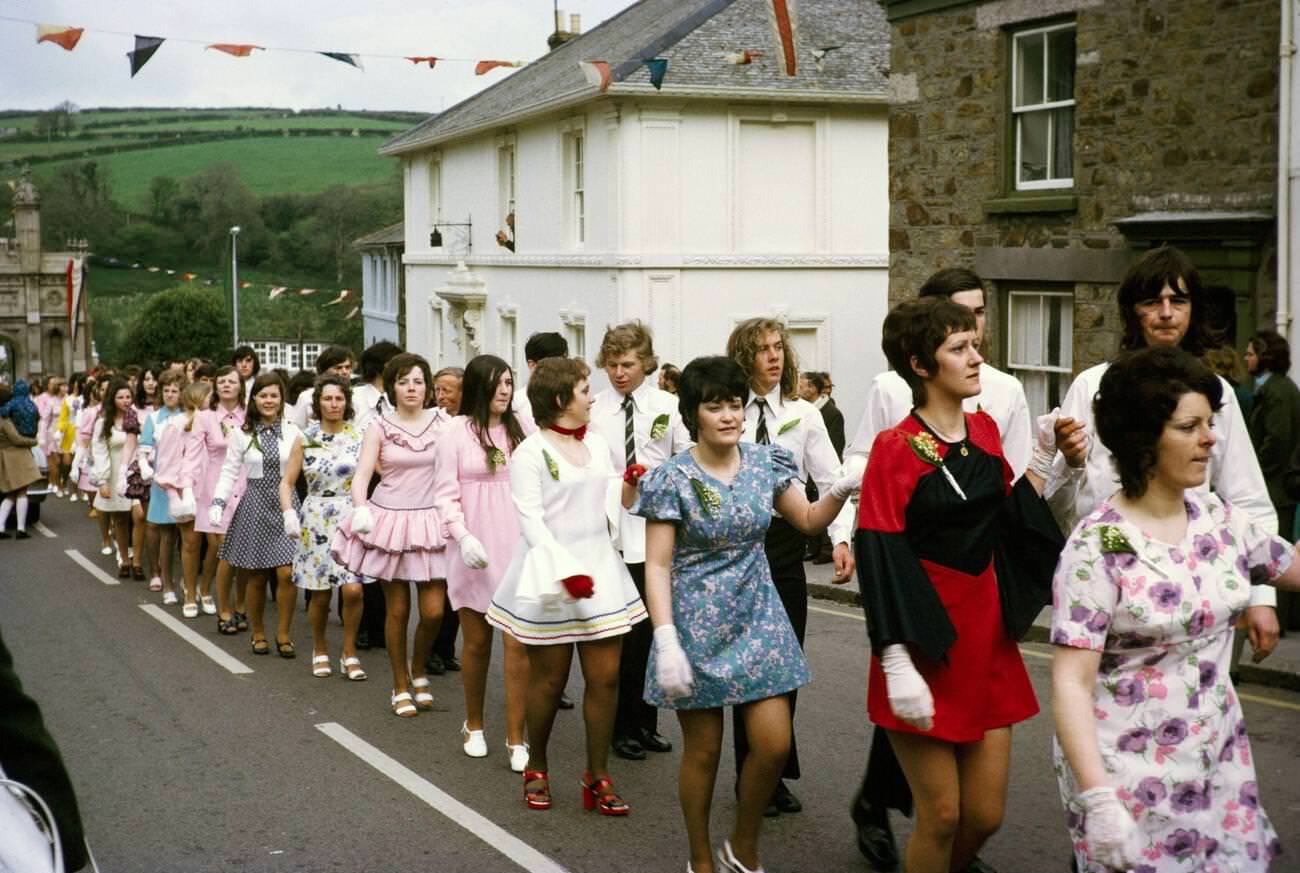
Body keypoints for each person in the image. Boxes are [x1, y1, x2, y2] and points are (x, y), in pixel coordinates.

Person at [1051, 346, 1298, 873]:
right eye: (1190, 426)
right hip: (1127, 777)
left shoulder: (1216, 515)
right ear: (1144, 440)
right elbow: (1071, 684)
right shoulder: (1097, 547)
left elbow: (1289, 566)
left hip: (1218, 764)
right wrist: (1098, 800)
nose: (1210, 438)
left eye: (1210, 423)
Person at [855, 297, 1073, 873]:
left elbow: (1004, 519)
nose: (976, 358)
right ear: (920, 366)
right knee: (943, 815)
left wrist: (1048, 458)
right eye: (959, 348)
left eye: (974, 345)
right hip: (923, 640)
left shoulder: (983, 429)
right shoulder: (894, 448)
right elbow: (880, 550)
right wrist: (895, 659)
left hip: (987, 637)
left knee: (985, 816)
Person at [634, 355, 860, 873]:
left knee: (774, 746)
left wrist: (841, 491)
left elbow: (806, 520)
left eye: (735, 404)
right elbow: (658, 565)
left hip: (758, 614)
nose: (729, 415)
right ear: (694, 414)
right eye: (715, 406)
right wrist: (665, 638)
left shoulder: (766, 462)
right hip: (693, 624)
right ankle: (699, 858)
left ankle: (742, 845)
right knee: (705, 753)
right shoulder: (672, 478)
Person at [1045, 246, 1280, 665]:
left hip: (1194, 586)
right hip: (1108, 586)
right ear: (1133, 311)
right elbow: (1060, 508)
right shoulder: (1094, 386)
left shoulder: (1214, 392)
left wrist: (1262, 596)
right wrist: (1071, 463)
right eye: (1152, 301)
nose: (1167, 313)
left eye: (1179, 301)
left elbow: (1246, 498)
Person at [486, 356, 647, 815]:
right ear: (560, 400)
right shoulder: (529, 453)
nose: (591, 396)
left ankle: (597, 775)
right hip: (551, 573)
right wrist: (563, 572)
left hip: (600, 567)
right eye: (583, 389)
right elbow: (531, 522)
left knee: (606, 678)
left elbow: (615, 500)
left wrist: (631, 485)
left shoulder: (597, 444)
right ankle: (537, 765)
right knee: (550, 681)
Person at [725, 317, 856, 816]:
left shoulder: (803, 415)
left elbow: (831, 478)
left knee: (782, 663)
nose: (774, 357)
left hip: (784, 546)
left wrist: (841, 538)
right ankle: (748, 774)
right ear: (745, 358)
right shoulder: (729, 411)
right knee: (745, 666)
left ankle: (774, 773)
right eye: (762, 350)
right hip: (736, 546)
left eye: (779, 347)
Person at [590, 321, 692, 762]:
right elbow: (592, 468)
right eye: (612, 364)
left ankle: (646, 721)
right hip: (616, 526)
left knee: (657, 631)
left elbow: (686, 456)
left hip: (659, 525)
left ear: (646, 363)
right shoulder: (594, 410)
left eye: (627, 364)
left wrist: (663, 480)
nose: (619, 372)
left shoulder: (668, 405)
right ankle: (621, 726)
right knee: (627, 635)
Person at [332, 353, 450, 717]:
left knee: (433, 612)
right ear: (391, 387)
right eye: (403, 381)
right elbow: (362, 475)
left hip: (432, 520)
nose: (411, 388)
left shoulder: (445, 423)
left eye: (417, 381)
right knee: (397, 609)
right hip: (390, 520)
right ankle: (399, 683)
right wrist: (361, 507)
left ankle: (418, 670)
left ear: (428, 387)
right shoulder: (379, 426)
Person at [433, 355, 535, 768]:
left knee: (518, 643)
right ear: (479, 387)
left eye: (509, 382)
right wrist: (462, 535)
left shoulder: (521, 430)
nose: (505, 390)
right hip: (473, 546)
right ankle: (474, 724)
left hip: (516, 543)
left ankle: (516, 737)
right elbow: (444, 493)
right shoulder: (454, 433)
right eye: (496, 383)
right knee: (476, 642)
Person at [210, 372, 303, 657]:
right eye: (263, 395)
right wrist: (218, 502)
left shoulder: (294, 431)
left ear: (282, 399)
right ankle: (258, 632)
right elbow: (229, 471)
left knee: (287, 574)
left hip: (287, 505)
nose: (269, 401)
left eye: (274, 395)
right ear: (254, 400)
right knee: (256, 576)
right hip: (255, 503)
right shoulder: (242, 433)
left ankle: (284, 633)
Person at [283, 375, 367, 679]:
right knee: (319, 593)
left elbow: (386, 472)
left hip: (349, 513)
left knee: (354, 589)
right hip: (315, 515)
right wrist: (289, 513)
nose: (334, 404)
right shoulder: (305, 437)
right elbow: (288, 481)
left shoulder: (360, 437)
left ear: (347, 403)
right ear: (318, 403)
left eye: (339, 398)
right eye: (328, 398)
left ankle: (349, 652)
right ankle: (320, 648)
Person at [1244, 329, 1300, 631]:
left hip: (1275, 487)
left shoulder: (1277, 391)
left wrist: (1254, 473)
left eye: (1251, 353)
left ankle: (1282, 618)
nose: (1246, 358)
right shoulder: (1273, 388)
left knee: (1274, 551)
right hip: (1276, 484)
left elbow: (1277, 440)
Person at [350, 340, 403, 651]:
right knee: (365, 552)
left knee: (387, 553)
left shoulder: (398, 400)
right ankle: (364, 626)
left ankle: (383, 624)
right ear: (384, 366)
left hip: (394, 479)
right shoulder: (357, 399)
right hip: (363, 478)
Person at [193, 367, 247, 633]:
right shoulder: (205, 417)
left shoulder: (251, 414)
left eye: (232, 381)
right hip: (216, 487)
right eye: (221, 381)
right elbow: (193, 455)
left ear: (241, 386)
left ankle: (242, 606)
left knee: (247, 552)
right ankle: (223, 608)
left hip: (248, 485)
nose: (226, 385)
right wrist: (187, 490)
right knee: (225, 549)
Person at [155, 381, 213, 616]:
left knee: (216, 543)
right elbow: (166, 462)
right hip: (186, 489)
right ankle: (190, 592)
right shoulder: (176, 425)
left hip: (213, 488)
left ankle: (205, 587)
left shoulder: (215, 421)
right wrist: (173, 492)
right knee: (190, 542)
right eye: (210, 395)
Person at [429, 365, 465, 675]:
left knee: (457, 584)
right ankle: (432, 650)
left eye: (448, 390)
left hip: (463, 510)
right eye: (438, 390)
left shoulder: (469, 424)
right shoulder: (432, 423)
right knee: (438, 584)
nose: (441, 396)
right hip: (433, 508)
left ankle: (447, 647)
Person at [140, 369, 186, 606]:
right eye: (166, 390)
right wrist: (145, 466)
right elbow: (144, 447)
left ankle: (187, 582)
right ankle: (166, 581)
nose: (170, 395)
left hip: (186, 481)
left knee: (188, 537)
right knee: (166, 533)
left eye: (174, 391)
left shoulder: (189, 415)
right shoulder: (153, 417)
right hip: (162, 481)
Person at [91, 379, 139, 577]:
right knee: (120, 518)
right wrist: (102, 480)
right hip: (114, 472)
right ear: (112, 399)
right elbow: (99, 450)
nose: (125, 401)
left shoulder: (137, 419)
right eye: (120, 397)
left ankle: (137, 559)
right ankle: (124, 559)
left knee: (139, 516)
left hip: (136, 474)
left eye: (128, 396)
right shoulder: (104, 423)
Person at [0, 384, 42, 539]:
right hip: (16, 456)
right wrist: (32, 441)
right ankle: (21, 529)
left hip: (5, 457)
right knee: (22, 492)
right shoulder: (5, 420)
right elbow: (16, 439)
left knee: (11, 494)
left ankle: (1, 527)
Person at [288, 345, 354, 428]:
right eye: (338, 368)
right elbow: (297, 429)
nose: (345, 372)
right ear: (324, 370)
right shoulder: (306, 397)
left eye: (347, 367)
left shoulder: (356, 396)